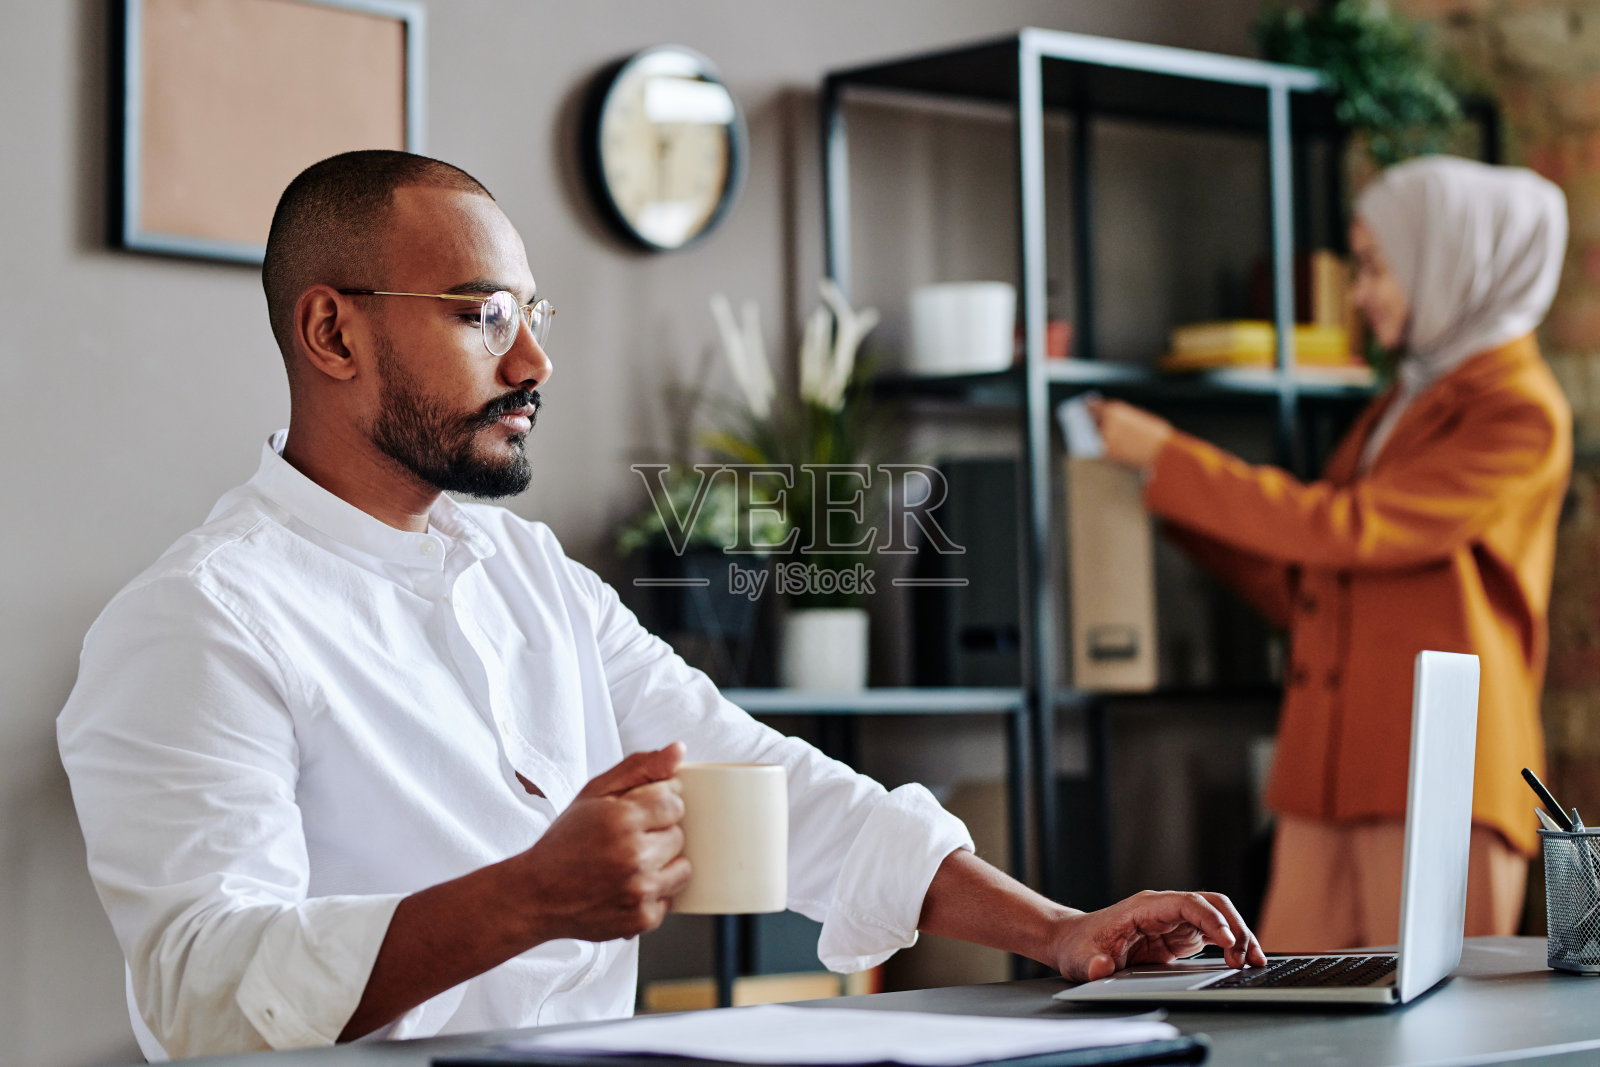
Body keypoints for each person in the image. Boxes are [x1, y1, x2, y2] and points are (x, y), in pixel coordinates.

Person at [57, 150, 1264, 1060]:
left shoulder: (532, 577)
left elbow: (762, 782)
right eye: (482, 314)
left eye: (533, 315)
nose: (531, 361)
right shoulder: (200, 620)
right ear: (332, 329)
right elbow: (205, 990)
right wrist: (523, 897)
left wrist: (1058, 930)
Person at [1091, 155, 1570, 952]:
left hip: (1439, 776)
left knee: (1437, 1040)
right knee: (1289, 1024)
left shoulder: (1518, 411)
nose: (1359, 294)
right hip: (1329, 771)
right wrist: (1166, 497)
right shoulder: (1403, 402)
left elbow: (1350, 527)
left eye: (1377, 267)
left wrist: (1174, 459)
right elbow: (1315, 581)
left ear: (1447, 258)